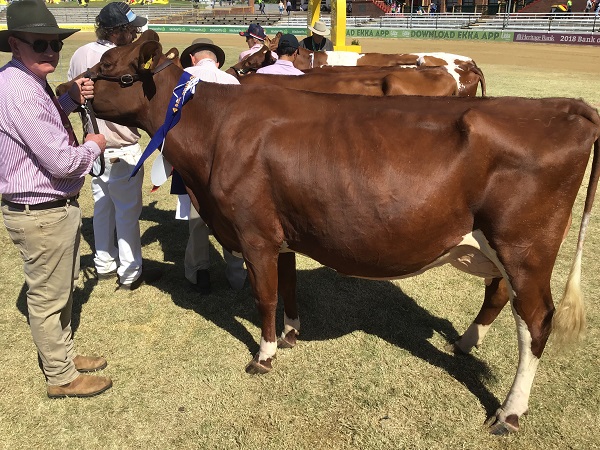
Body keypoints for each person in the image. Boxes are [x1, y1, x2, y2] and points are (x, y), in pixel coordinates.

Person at [0, 0, 111, 398]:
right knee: (49, 298)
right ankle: (61, 377)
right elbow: (63, 162)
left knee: (58, 291)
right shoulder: (21, 91)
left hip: (46, 211)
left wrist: (67, 102)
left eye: (55, 44)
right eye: (40, 44)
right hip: (42, 213)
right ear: (16, 43)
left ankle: (62, 356)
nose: (51, 51)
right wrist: (95, 145)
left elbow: (41, 121)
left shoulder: (24, 82)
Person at [68, 2, 162, 291]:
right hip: (122, 145)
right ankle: (131, 272)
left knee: (102, 208)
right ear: (117, 31)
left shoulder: (80, 53)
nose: (135, 33)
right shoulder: (123, 58)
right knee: (127, 213)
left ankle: (105, 264)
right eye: (130, 29)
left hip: (93, 146)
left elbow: (73, 96)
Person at [179, 38, 247, 294]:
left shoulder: (182, 77)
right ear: (216, 61)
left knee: (197, 218)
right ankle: (236, 274)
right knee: (231, 218)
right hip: (231, 161)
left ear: (193, 59)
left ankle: (200, 273)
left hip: (192, 159)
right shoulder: (231, 81)